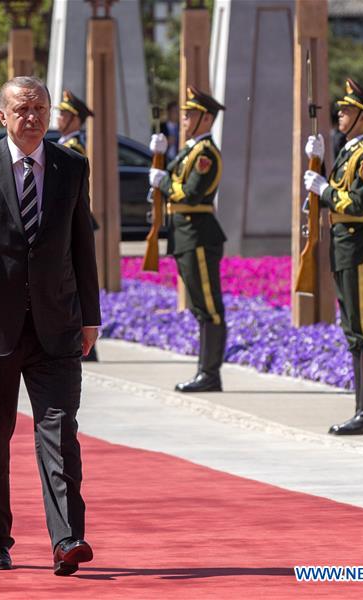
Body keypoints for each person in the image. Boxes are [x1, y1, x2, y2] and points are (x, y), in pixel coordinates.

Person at [0, 76, 101, 576]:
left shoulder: (72, 166)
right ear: (2, 117)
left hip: (56, 324)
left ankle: (67, 539)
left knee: (59, 431)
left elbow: (82, 245)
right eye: (21, 110)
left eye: (40, 109)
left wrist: (90, 315)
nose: (32, 118)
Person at [303, 79, 363, 435]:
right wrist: (320, 166)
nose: (341, 113)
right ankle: (362, 410)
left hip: (357, 245)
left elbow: (357, 204)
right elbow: (336, 193)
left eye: (348, 110)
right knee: (353, 330)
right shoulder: (348, 152)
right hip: (342, 246)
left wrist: (323, 188)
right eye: (342, 109)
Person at [149, 86, 227, 393]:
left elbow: (190, 192)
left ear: (206, 119)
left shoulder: (205, 153)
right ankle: (205, 371)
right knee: (198, 305)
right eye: (184, 114)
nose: (184, 119)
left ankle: (210, 373)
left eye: (191, 114)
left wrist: (163, 180)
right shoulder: (190, 150)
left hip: (198, 234)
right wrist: (162, 156)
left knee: (209, 306)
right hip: (184, 235)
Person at [55, 89, 99, 363]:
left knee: (76, 281)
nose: (58, 118)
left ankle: (88, 344)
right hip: (67, 223)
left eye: (63, 114)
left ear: (75, 119)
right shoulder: (64, 144)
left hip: (70, 223)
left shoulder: (72, 149)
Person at [55, 89, 93, 155]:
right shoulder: (65, 143)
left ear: (74, 120)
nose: (58, 117)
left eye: (62, 114)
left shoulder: (74, 148)